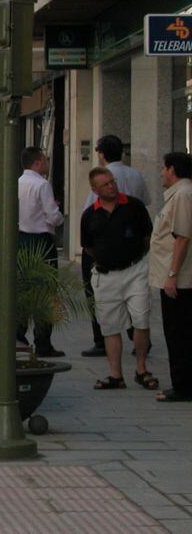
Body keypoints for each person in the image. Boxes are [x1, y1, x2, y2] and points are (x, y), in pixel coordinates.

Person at [79, 167, 156, 391]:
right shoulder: (89, 215)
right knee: (110, 326)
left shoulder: (133, 206)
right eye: (105, 184)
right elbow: (88, 246)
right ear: (95, 190)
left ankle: (141, 368)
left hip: (135, 270)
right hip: (106, 274)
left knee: (141, 319)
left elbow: (147, 235)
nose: (111, 186)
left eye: (112, 182)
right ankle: (116, 374)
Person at [81, 135, 151, 358]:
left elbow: (90, 214)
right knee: (136, 305)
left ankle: (101, 339)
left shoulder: (99, 179)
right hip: (132, 247)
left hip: (110, 247)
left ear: (101, 154)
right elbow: (146, 204)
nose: (111, 186)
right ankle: (135, 335)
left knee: (98, 297)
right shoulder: (136, 174)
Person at [150, 152, 192, 402]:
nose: (161, 173)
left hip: (181, 279)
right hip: (177, 276)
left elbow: (182, 237)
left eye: (163, 168)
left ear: (173, 169)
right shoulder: (179, 194)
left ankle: (184, 385)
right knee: (177, 331)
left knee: (179, 332)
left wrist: (172, 275)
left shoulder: (183, 195)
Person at [17, 146, 65, 357]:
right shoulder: (42, 184)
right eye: (44, 159)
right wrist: (59, 215)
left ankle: (18, 334)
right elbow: (52, 215)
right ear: (37, 162)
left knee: (23, 288)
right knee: (46, 291)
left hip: (21, 239)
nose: (47, 162)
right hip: (41, 241)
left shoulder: (17, 182)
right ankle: (43, 341)